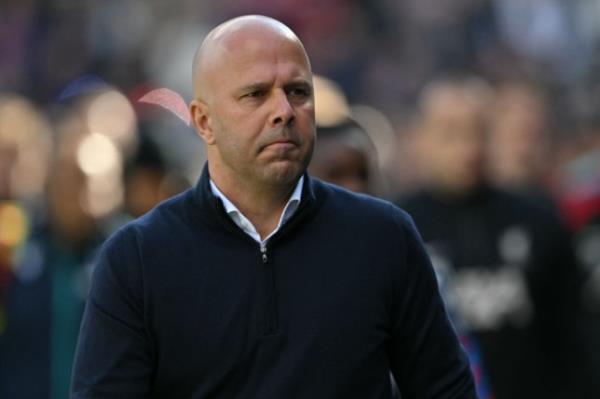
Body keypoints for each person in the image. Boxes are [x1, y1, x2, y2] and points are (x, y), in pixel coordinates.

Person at [70, 15, 475, 398]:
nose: (283, 111)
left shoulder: (385, 237)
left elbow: (447, 390)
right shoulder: (136, 259)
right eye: (255, 94)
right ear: (203, 121)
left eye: (298, 92)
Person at [399, 77, 582, 399]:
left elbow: (571, 336)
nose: (468, 149)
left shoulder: (538, 220)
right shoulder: (399, 228)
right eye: (451, 134)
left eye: (477, 132)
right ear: (421, 138)